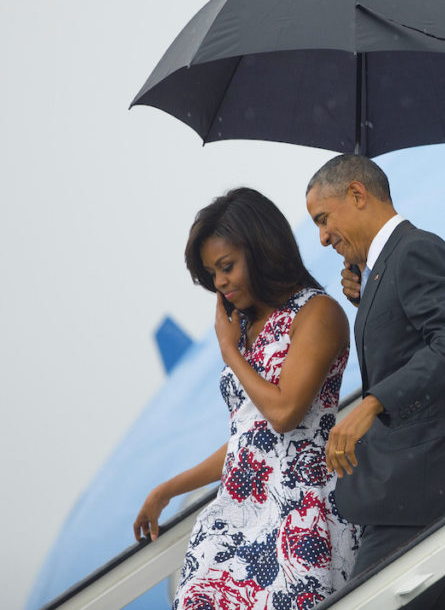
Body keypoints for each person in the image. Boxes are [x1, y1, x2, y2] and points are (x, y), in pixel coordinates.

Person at [133, 187, 359, 608]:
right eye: (211, 273)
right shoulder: (242, 329)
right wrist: (169, 489)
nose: (219, 283)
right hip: (236, 514)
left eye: (227, 266)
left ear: (261, 250)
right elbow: (249, 439)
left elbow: (285, 413)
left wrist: (230, 354)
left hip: (300, 509)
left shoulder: (317, 313)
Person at [305, 154, 445, 610]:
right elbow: (411, 346)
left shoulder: (416, 251)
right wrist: (368, 299)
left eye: (323, 219)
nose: (321, 238)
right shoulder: (384, 267)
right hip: (413, 487)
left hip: (427, 486)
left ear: (357, 195)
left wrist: (372, 404)